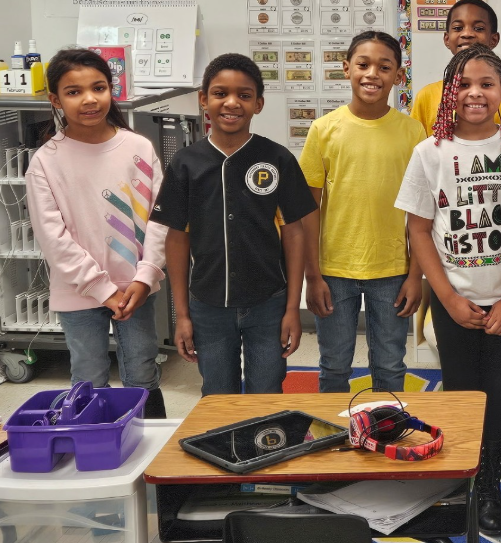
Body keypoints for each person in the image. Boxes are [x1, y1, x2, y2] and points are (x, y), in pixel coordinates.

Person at [395, 44, 501, 536]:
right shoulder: (429, 153)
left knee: (499, 394)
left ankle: (488, 484)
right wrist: (448, 297)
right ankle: (462, 477)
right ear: (448, 92)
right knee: (461, 394)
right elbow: (419, 230)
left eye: (487, 84)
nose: (475, 93)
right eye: (464, 84)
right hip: (452, 299)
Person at [152, 53, 316, 395]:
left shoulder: (277, 159)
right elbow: (177, 241)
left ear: (258, 103)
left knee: (267, 390)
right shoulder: (185, 163)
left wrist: (292, 309)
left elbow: (294, 234)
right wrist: (182, 315)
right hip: (208, 306)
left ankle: (264, 448)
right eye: (220, 93)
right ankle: (223, 449)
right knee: (217, 393)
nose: (231, 103)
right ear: (203, 99)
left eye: (244, 95)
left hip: (269, 303)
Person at [26, 48, 169, 418]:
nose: (89, 99)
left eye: (99, 87)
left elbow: (159, 218)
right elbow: (53, 239)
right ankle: (95, 454)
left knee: (142, 370)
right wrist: (101, 289)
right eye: (74, 92)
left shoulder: (138, 147)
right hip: (78, 291)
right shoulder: (46, 161)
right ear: (55, 100)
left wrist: (146, 275)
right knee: (88, 374)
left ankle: (152, 461)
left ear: (111, 91)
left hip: (137, 288)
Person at [300, 31, 425, 393]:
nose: (373, 74)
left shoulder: (413, 132)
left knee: (389, 363)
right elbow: (310, 210)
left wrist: (416, 275)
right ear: (346, 69)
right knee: (334, 364)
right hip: (334, 269)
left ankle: (387, 430)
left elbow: (421, 212)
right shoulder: (324, 129)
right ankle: (333, 437)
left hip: (393, 269)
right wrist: (313, 274)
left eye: (385, 67)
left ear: (398, 76)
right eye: (363, 64)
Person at [410, 0, 501, 135]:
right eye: (458, 28)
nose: (467, 34)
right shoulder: (427, 96)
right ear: (447, 39)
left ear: (494, 39)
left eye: (478, 28)